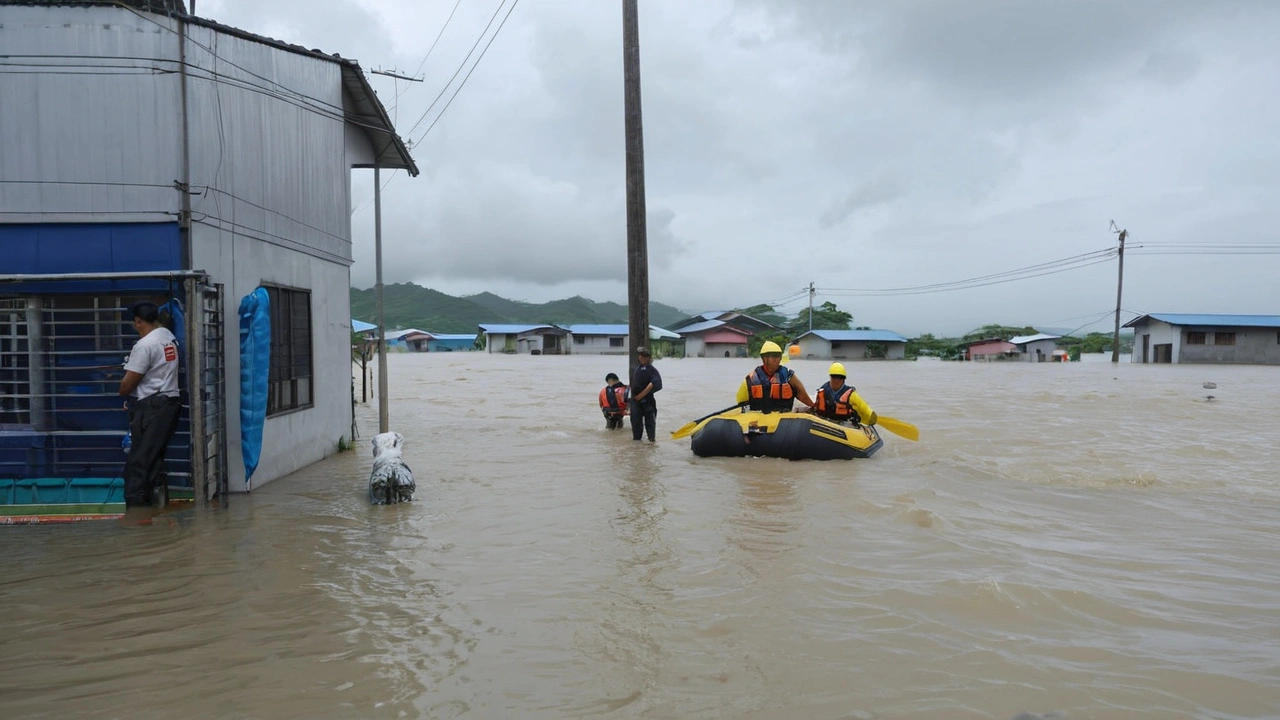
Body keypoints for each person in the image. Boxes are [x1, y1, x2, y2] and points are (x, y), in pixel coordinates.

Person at [118, 301, 183, 507]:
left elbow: (128, 383)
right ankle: (152, 511)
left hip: (153, 407)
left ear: (138, 321)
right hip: (168, 403)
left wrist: (125, 393)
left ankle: (136, 514)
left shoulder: (145, 345)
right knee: (153, 459)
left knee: (138, 463)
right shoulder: (167, 336)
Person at [735, 341, 815, 413]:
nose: (778, 360)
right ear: (764, 358)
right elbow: (741, 405)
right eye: (774, 356)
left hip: (784, 421)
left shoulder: (788, 376)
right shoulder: (750, 380)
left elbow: (803, 397)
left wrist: (814, 408)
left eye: (779, 356)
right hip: (760, 421)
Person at [811, 362, 877, 426]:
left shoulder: (852, 396)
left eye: (839, 377)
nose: (836, 380)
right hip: (825, 423)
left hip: (845, 425)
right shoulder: (822, 391)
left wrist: (872, 419)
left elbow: (866, 411)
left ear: (843, 379)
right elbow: (813, 406)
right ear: (830, 377)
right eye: (834, 377)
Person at [629, 346, 662, 442]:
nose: (641, 358)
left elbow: (655, 383)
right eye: (640, 355)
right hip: (635, 402)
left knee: (650, 425)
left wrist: (641, 395)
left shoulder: (651, 369)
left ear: (649, 358)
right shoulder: (637, 368)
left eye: (644, 356)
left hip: (647, 401)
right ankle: (637, 447)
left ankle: (651, 444)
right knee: (636, 425)